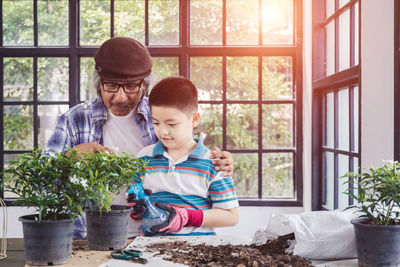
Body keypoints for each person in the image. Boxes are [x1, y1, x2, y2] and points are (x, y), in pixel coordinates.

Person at [45, 37, 234, 238]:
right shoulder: (74, 119)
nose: (120, 97)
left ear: (144, 86)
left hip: (153, 237)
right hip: (91, 236)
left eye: (130, 87)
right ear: (98, 84)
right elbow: (42, 185)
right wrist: (71, 156)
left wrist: (221, 161)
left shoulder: (161, 115)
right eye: (110, 86)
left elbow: (191, 160)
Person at [128, 76, 239, 236]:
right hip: (151, 252)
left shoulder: (213, 162)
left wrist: (187, 217)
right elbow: (134, 205)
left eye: (172, 124)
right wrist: (136, 209)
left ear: (194, 119)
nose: (163, 131)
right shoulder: (144, 158)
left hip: (198, 254)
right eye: (156, 123)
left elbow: (231, 216)